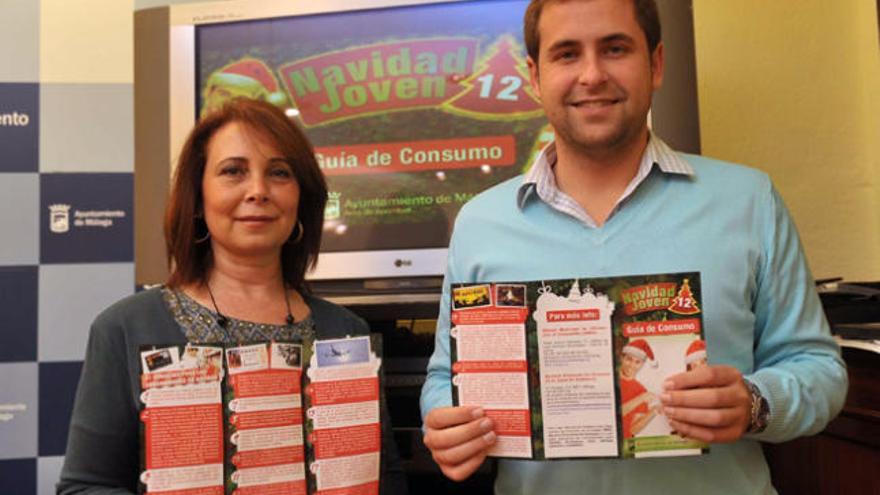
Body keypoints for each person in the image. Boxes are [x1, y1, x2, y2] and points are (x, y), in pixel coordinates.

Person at [420, 0, 847, 493]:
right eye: (567, 54)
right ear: (535, 77)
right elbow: (442, 379)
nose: (592, 75)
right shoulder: (481, 223)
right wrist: (445, 423)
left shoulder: (749, 201)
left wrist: (755, 402)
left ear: (656, 64)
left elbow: (819, 371)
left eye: (615, 48)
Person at [58, 98, 407, 494]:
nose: (258, 190)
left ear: (301, 198)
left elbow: (383, 480)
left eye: (279, 172)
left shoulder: (344, 331)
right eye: (233, 171)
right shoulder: (123, 328)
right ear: (198, 197)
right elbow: (84, 487)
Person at [619, 339, 659, 438]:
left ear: (642, 365)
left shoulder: (641, 390)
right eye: (629, 359)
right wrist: (641, 398)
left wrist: (654, 411)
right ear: (622, 358)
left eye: (637, 362)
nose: (632, 365)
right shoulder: (611, 379)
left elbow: (633, 430)